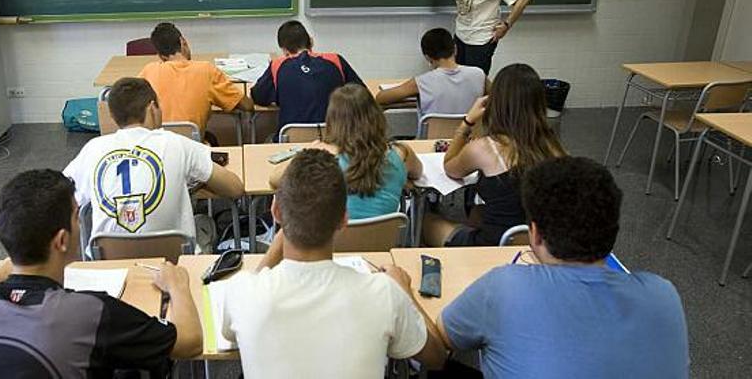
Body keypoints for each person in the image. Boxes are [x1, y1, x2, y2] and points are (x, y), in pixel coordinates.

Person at [0, 169, 203, 377]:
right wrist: (177, 285)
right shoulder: (91, 312)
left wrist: (2, 269)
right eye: (75, 217)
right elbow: (189, 343)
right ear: (61, 240)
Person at [436, 157, 690, 378]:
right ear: (613, 230)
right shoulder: (664, 295)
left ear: (534, 234)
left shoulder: (504, 286)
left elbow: (445, 337)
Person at [219, 149, 446, 378]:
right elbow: (436, 357)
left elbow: (229, 335)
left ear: (276, 211)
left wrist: (274, 249)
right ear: (344, 219)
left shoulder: (243, 291)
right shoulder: (385, 293)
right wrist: (405, 292)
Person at [64, 77, 243, 255]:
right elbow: (235, 188)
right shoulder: (177, 143)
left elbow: (62, 197)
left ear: (112, 115)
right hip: (173, 262)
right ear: (152, 108)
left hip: (110, 265)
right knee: (205, 224)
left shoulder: (93, 148)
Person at [423, 63, 565, 247]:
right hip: (540, 242)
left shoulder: (485, 147)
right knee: (478, 212)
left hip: (496, 244)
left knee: (427, 222)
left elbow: (450, 168)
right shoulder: (555, 148)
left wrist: (467, 122)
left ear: (495, 102)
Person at [270, 84, 422, 219]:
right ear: (376, 115)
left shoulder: (322, 156)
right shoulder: (401, 153)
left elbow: (275, 179)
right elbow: (418, 173)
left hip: (330, 246)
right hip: (383, 245)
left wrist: (308, 152)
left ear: (332, 121)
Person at [138, 22, 253, 141]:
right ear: (183, 42)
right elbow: (247, 105)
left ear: (161, 56)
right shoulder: (207, 71)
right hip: (193, 146)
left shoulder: (148, 71)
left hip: (157, 148)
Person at [251, 20, 364, 134]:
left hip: (292, 140)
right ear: (311, 41)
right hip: (335, 137)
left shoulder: (277, 65)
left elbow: (258, 97)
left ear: (284, 50)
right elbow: (362, 94)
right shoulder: (336, 60)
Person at [375, 27, 486, 117]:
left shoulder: (422, 82)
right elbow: (497, 97)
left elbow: (381, 98)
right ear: (455, 49)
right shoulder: (479, 75)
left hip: (434, 143)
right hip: (472, 140)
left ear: (427, 57)